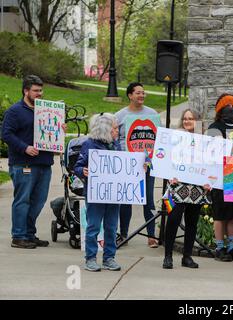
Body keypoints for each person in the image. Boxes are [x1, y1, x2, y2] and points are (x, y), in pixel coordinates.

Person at [2, 75, 66, 249]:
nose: (40, 93)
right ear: (26, 91)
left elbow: (50, 133)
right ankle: (19, 236)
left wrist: (59, 130)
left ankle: (29, 234)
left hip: (44, 162)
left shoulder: (45, 111)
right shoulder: (15, 111)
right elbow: (6, 134)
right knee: (23, 200)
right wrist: (25, 148)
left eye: (41, 90)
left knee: (38, 201)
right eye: (36, 90)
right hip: (24, 163)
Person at [162, 109, 211, 269]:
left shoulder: (205, 140)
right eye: (185, 118)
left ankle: (187, 257)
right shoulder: (174, 137)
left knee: (192, 222)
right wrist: (169, 174)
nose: (187, 121)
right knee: (173, 220)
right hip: (177, 186)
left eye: (191, 118)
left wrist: (209, 180)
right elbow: (165, 158)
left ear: (198, 121)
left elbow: (211, 163)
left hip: (197, 188)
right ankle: (168, 256)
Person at [74, 113, 122, 272]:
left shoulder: (116, 145)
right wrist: (83, 171)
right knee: (93, 226)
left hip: (113, 193)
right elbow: (78, 166)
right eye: (115, 128)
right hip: (95, 193)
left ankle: (109, 257)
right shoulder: (89, 145)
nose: (117, 131)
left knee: (111, 226)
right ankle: (90, 258)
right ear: (105, 129)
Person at [115, 82, 160, 247]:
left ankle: (151, 236)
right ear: (130, 95)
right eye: (138, 93)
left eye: (143, 93)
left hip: (147, 165)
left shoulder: (152, 114)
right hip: (127, 164)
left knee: (148, 200)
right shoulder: (120, 115)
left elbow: (158, 139)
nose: (141, 95)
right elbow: (114, 138)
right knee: (126, 199)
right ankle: (124, 235)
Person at [206, 93, 233, 262]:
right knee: (220, 215)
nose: (230, 110)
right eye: (226, 107)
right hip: (219, 177)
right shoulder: (214, 127)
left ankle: (231, 247)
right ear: (220, 110)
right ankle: (220, 247)